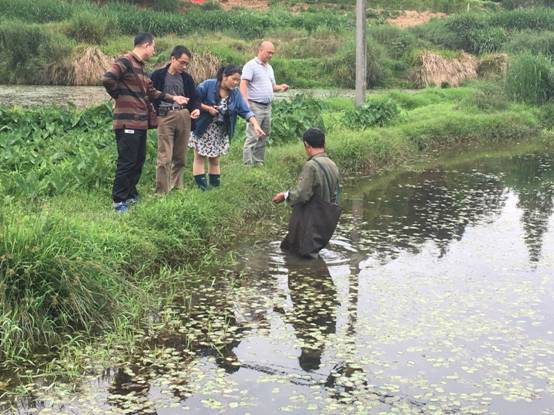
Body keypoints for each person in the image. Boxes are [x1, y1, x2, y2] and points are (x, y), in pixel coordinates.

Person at [102, 33, 188, 212]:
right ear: (146, 45)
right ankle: (119, 200)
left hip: (140, 122)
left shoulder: (141, 67)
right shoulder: (125, 61)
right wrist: (119, 95)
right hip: (127, 122)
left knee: (138, 159)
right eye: (153, 47)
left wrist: (174, 98)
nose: (154, 51)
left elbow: (152, 92)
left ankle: (130, 194)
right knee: (127, 161)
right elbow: (108, 78)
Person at [189, 65, 265, 190]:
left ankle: (215, 188)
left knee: (215, 159)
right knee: (199, 157)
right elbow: (194, 100)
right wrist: (208, 109)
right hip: (203, 127)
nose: (236, 83)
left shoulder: (235, 93)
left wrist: (256, 124)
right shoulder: (208, 85)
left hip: (220, 131)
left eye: (238, 80)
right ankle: (202, 189)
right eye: (233, 79)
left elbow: (245, 111)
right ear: (225, 76)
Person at [272, 128, 341, 258]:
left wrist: (285, 196)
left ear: (306, 145)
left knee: (297, 254)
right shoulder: (332, 164)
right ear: (324, 144)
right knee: (306, 253)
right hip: (323, 220)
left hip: (309, 219)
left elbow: (302, 194)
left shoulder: (311, 165)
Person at [151, 45, 201, 194]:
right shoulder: (158, 75)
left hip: (184, 115)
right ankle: (161, 192)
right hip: (165, 115)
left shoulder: (187, 78)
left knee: (180, 156)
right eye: (182, 62)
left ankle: (177, 188)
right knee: (164, 157)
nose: (184, 66)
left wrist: (196, 109)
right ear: (173, 59)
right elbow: (151, 94)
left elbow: (195, 97)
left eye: (186, 64)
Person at [240, 41, 289, 166]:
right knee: (253, 135)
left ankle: (258, 161)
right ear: (261, 50)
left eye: (272, 53)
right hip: (255, 105)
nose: (271, 55)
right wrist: (245, 103)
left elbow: (272, 86)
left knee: (264, 134)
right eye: (269, 52)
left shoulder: (269, 68)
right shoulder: (251, 65)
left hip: (267, 107)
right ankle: (247, 164)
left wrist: (281, 87)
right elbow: (243, 84)